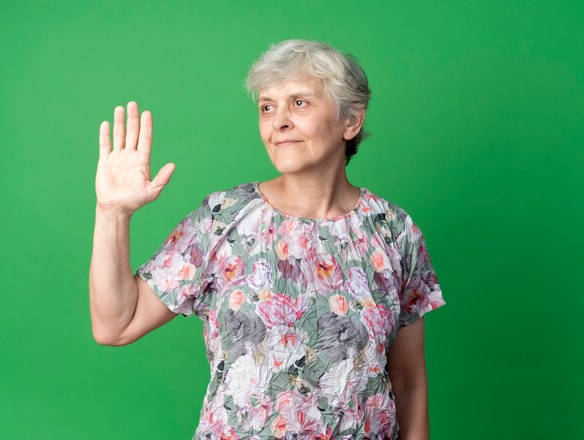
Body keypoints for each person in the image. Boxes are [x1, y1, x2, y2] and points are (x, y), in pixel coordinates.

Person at [90, 39, 446, 439]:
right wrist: (112, 213)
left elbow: (409, 381)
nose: (278, 121)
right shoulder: (224, 217)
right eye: (267, 106)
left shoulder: (394, 230)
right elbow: (115, 326)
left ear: (351, 121)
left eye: (299, 103)